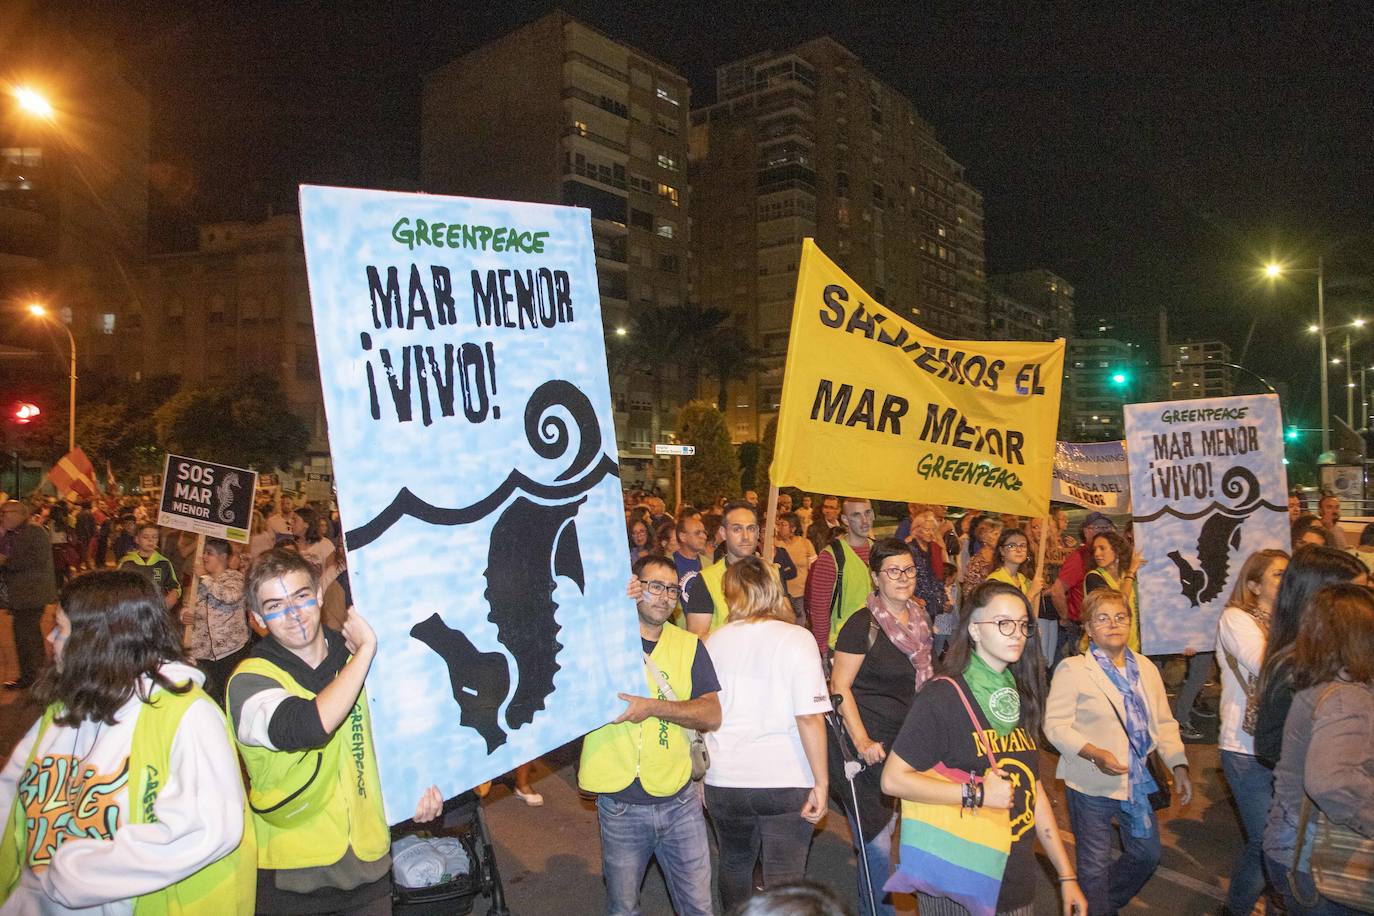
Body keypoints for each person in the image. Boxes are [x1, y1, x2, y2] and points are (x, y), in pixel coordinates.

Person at [0, 570, 254, 911]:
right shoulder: (64, 709)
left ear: (100, 637)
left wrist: (71, 874)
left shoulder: (188, 717)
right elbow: (11, 799)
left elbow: (205, 830)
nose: (49, 639)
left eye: (61, 629)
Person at [227, 547, 441, 914]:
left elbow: (399, 739)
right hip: (292, 879)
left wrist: (419, 789)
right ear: (257, 618)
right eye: (275, 605)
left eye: (301, 597)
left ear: (320, 596)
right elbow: (308, 726)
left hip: (369, 866)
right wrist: (366, 651)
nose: (293, 614)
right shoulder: (248, 682)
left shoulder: (352, 659)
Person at [882, 581, 1085, 916]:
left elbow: (1031, 787)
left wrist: (1065, 873)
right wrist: (975, 794)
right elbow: (892, 780)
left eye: (1023, 625)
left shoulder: (1021, 696)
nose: (1016, 633)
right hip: (959, 874)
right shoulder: (942, 696)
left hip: (1014, 877)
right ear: (974, 629)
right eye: (1003, 623)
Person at [579, 556, 721, 916]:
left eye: (671, 589)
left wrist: (653, 707)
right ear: (635, 587)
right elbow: (562, 623)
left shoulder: (690, 645)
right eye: (654, 585)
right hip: (620, 806)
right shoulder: (602, 641)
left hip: (680, 803)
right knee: (624, 908)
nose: (664, 596)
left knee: (699, 907)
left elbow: (711, 713)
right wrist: (610, 603)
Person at [1045, 588, 1191, 916]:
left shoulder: (1146, 669)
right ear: (1088, 628)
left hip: (1137, 783)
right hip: (1090, 784)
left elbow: (1164, 722)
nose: (1113, 624)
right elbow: (1054, 726)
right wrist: (1094, 752)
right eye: (1103, 618)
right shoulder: (1073, 670)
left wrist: (1178, 764)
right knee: (1094, 867)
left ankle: (1094, 905)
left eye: (1120, 617)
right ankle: (1096, 906)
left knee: (1146, 855)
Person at [703, 556, 830, 910]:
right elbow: (809, 717)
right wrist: (821, 782)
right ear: (775, 591)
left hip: (725, 777)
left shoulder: (713, 642)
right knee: (785, 877)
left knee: (734, 862)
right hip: (785, 776)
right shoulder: (797, 639)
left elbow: (704, 714)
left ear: (731, 594)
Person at [830, 539, 935, 916]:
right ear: (876, 577)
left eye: (908, 570)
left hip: (907, 746)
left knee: (900, 835)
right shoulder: (862, 626)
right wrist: (862, 740)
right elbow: (839, 687)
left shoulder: (921, 620)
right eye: (893, 571)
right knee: (876, 843)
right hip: (868, 750)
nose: (903, 578)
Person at [1262, 583, 1374, 915]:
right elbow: (1331, 781)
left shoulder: (1325, 683)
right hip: (1317, 857)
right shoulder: (1346, 696)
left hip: (1290, 847)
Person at [1216, 548, 1289, 916]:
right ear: (1254, 584)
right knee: (1265, 840)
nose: (1286, 580)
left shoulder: (1291, 623)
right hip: (1244, 747)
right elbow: (1267, 666)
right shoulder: (1236, 619)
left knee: (1284, 839)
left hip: (1284, 746)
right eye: (1278, 575)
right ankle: (1237, 909)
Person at [1253, 545, 1366, 768]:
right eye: (1357, 594)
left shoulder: (1341, 648)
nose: (1366, 603)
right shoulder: (1293, 664)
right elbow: (1271, 745)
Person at [181, 537, 252, 706]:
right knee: (207, 700)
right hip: (202, 654)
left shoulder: (235, 578)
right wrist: (184, 614)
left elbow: (229, 596)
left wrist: (205, 577)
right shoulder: (198, 582)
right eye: (204, 552)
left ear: (222, 557)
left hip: (230, 652)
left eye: (209, 553)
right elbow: (187, 605)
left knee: (232, 699)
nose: (204, 557)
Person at [804, 498, 876, 653]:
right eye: (856, 515)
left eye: (868, 513)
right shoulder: (830, 557)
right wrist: (822, 650)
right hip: (842, 644)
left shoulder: (878, 551)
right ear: (845, 520)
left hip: (875, 642)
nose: (865, 520)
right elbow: (819, 609)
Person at [682, 502, 764, 635]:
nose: (745, 536)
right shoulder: (706, 580)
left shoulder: (772, 574)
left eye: (751, 529)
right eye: (737, 529)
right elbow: (697, 638)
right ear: (723, 533)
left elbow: (785, 621)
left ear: (758, 532)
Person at [0, 501, 57, 690]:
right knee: (25, 635)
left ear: (18, 513)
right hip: (22, 595)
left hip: (32, 595)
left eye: (4, 512)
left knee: (27, 636)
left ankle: (34, 677)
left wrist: (6, 561)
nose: (2, 516)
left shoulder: (34, 532)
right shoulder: (13, 533)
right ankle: (33, 676)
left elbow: (32, 560)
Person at [1049, 513, 1116, 663]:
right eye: (1098, 527)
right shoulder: (1079, 557)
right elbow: (1056, 591)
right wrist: (1067, 620)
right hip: (1083, 630)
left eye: (1106, 527)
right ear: (1086, 531)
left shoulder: (1110, 557)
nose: (1103, 531)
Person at [1083, 530, 1141, 653]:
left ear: (1116, 550)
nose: (1097, 554)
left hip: (1131, 647)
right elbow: (1119, 603)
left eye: (1102, 548)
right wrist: (1131, 572)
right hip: (1104, 648)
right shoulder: (1093, 577)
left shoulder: (1125, 576)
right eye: (1095, 550)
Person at [118, 523, 182, 611]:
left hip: (156, 611)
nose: (150, 540)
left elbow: (175, 587)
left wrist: (171, 598)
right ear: (137, 539)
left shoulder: (164, 563)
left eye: (154, 537)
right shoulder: (127, 562)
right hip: (130, 610)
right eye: (145, 537)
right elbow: (116, 588)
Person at [985, 528, 1045, 609]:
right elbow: (1009, 610)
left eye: (1023, 545)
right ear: (1002, 551)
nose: (1019, 549)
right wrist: (1032, 592)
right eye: (1012, 546)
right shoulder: (995, 581)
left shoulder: (1023, 579)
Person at [777, 512, 817, 625]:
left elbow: (814, 567)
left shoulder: (805, 543)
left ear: (793, 528)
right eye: (778, 524)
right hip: (782, 593)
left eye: (783, 524)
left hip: (801, 593)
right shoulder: (775, 544)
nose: (779, 527)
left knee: (800, 620)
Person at [958, 516, 1003, 596]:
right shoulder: (976, 562)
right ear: (984, 537)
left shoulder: (1003, 557)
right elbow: (968, 591)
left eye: (1000, 533)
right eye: (996, 534)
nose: (1000, 537)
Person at [292, 505, 335, 574]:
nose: (291, 523)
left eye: (295, 520)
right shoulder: (291, 544)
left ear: (306, 524)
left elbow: (331, 574)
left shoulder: (325, 544)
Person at [672, 510, 708, 585]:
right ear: (682, 537)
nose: (704, 537)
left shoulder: (708, 564)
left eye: (704, 532)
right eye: (697, 533)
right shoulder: (667, 563)